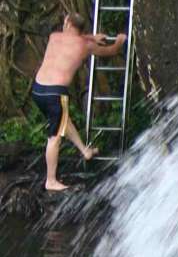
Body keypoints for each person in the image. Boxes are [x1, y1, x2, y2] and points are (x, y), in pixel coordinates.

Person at [32, 13, 127, 192]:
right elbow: (110, 51)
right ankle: (50, 180)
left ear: (67, 22)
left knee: (63, 122)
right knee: (54, 138)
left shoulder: (54, 37)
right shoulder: (86, 46)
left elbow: (74, 36)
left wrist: (92, 36)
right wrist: (120, 41)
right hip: (55, 94)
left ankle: (85, 151)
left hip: (38, 89)